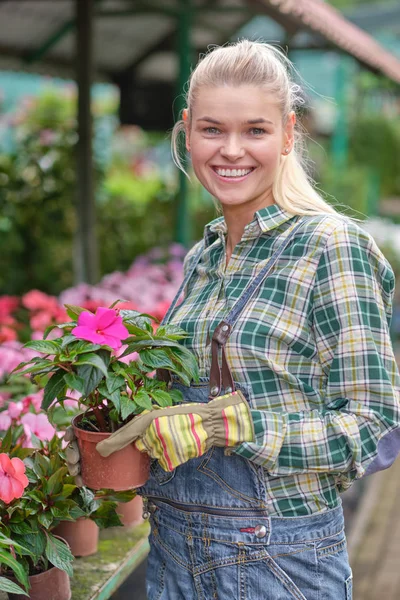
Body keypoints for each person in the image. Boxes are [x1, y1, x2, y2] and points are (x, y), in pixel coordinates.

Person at [66, 40, 400, 599]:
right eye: (212, 129)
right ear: (186, 132)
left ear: (289, 133)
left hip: (278, 560)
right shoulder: (206, 255)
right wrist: (108, 432)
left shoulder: (331, 247)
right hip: (172, 550)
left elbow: (375, 430)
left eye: (256, 130)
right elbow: (179, 409)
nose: (231, 150)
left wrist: (230, 427)